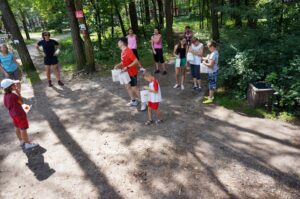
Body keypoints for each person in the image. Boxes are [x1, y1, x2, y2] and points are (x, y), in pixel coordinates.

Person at [1, 79, 38, 150]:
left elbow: (6, 105)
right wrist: (18, 93)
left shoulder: (5, 95)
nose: (15, 85)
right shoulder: (14, 95)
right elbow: (21, 102)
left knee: (17, 127)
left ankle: (21, 140)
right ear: (11, 87)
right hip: (20, 115)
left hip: (13, 114)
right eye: (14, 84)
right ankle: (27, 143)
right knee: (23, 129)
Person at [114, 37, 147, 111]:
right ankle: (134, 101)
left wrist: (127, 67)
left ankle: (144, 102)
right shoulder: (122, 51)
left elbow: (135, 61)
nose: (118, 43)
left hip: (132, 72)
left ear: (122, 43)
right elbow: (123, 62)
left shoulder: (128, 51)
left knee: (134, 88)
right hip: (125, 73)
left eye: (119, 42)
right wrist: (118, 65)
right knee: (127, 86)